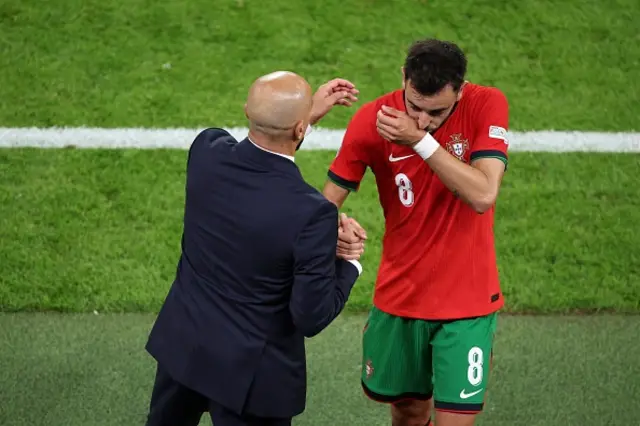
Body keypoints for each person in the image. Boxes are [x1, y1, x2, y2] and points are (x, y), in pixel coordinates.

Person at [144, 71, 366, 426]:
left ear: (247, 110)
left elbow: (258, 160)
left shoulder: (206, 152)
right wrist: (348, 263)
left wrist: (304, 116)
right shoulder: (312, 213)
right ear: (298, 130)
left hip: (185, 347)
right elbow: (311, 316)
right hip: (251, 378)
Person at [324, 38, 510, 426]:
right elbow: (325, 205)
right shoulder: (372, 120)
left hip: (468, 301)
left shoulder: (486, 104)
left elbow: (483, 194)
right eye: (414, 107)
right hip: (400, 297)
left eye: (436, 112)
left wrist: (419, 141)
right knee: (407, 414)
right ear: (403, 78)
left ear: (461, 88)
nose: (423, 119)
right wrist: (333, 230)